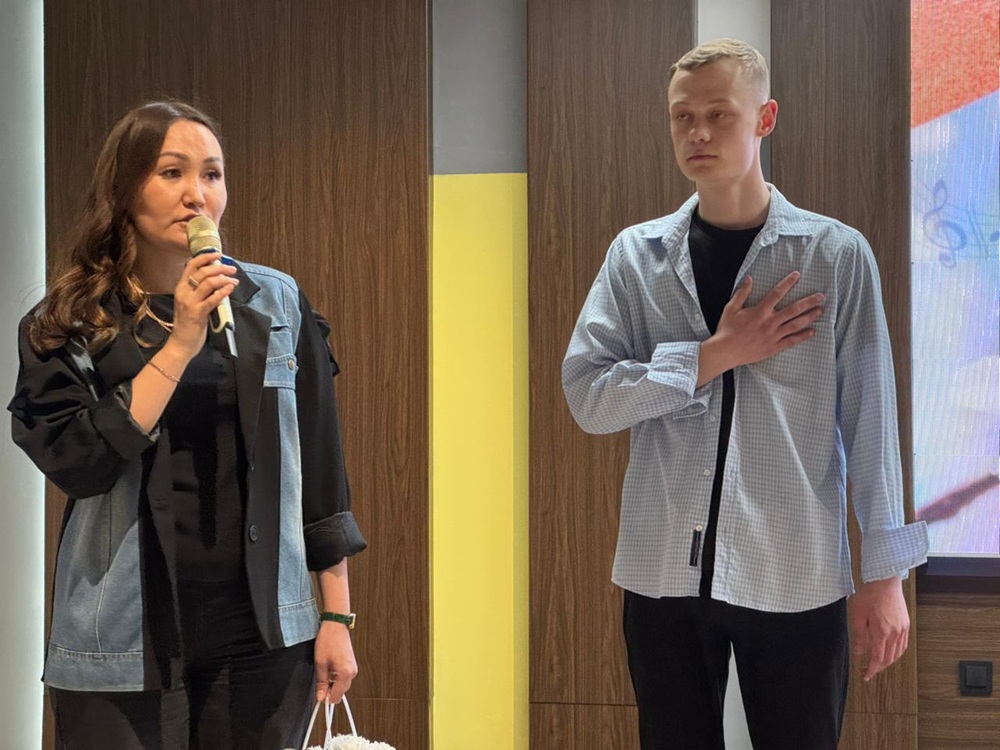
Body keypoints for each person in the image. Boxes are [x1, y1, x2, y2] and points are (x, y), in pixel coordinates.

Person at [562, 39, 929, 749]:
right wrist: (713, 356)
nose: (697, 132)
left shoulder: (835, 255)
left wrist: (886, 577)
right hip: (662, 572)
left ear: (764, 118)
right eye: (682, 116)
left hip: (796, 571)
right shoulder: (636, 257)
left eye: (718, 114)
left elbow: (872, 419)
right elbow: (588, 396)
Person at [8, 101, 367, 750]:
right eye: (172, 172)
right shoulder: (72, 320)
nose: (197, 195)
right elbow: (79, 464)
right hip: (122, 634)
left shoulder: (275, 302)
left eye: (212, 174)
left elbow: (319, 468)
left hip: (262, 634)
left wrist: (336, 615)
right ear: (125, 190)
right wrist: (180, 342)